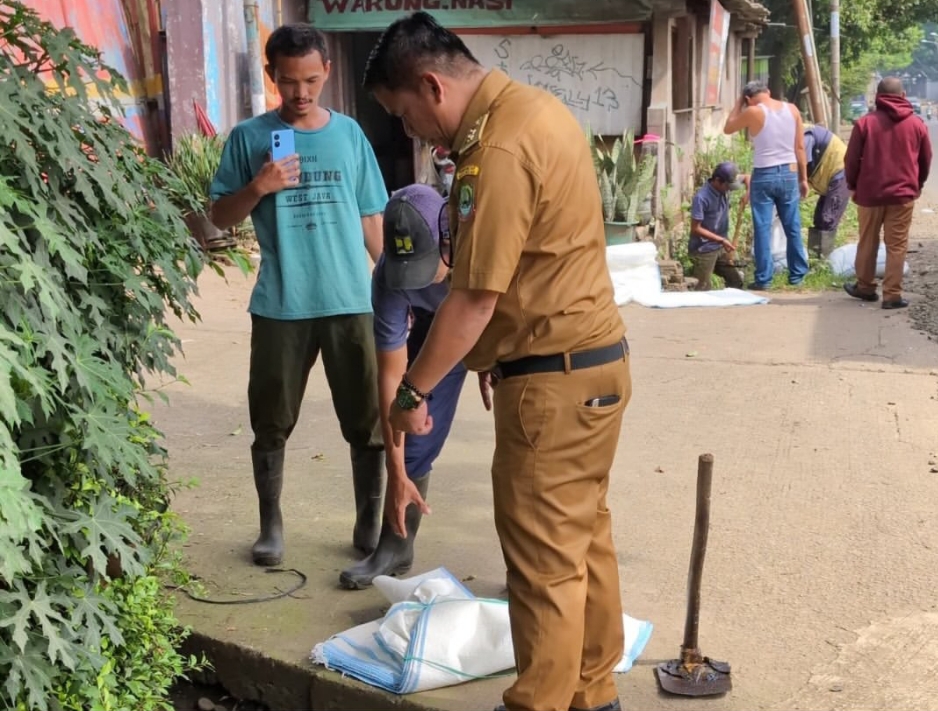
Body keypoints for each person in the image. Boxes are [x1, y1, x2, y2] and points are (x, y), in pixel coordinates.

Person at [364, 12, 631, 711]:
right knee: (583, 541)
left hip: (552, 385)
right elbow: (529, 266)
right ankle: (593, 692)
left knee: (542, 564)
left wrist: (412, 391)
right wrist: (491, 355)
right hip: (590, 367)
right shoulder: (537, 111)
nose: (416, 134)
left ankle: (540, 701)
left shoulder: (500, 148)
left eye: (407, 116)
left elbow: (474, 299)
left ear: (432, 85)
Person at [208, 23, 389, 567]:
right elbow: (218, 218)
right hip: (281, 304)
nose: (301, 92)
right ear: (272, 76)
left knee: (368, 421)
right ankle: (271, 525)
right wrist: (258, 187)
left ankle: (368, 520)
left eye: (311, 80)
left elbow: (371, 217)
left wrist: (397, 289)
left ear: (327, 71)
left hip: (351, 300)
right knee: (270, 419)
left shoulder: (350, 135)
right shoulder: (249, 137)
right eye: (288, 81)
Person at [339, 184, 467, 589]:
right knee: (411, 437)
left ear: (449, 237)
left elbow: (492, 314)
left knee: (522, 442)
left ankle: (527, 565)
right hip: (435, 326)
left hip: (494, 316)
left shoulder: (479, 249)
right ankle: (395, 545)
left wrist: (491, 362)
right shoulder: (389, 278)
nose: (417, 280)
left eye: (424, 267)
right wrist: (395, 471)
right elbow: (392, 377)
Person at [843, 76, 932, 309]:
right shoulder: (916, 124)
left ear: (877, 97)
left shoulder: (865, 123)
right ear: (903, 96)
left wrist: (853, 184)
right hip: (902, 195)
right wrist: (918, 184)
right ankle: (892, 295)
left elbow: (851, 160)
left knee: (867, 242)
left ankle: (865, 287)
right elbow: (925, 159)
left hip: (870, 195)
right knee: (897, 245)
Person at [724, 80, 810, 290]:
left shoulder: (753, 111)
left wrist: (739, 103)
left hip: (764, 174)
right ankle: (797, 275)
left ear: (748, 98)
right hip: (789, 172)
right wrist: (803, 179)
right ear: (768, 92)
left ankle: (764, 279)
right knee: (792, 226)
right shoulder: (792, 109)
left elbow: (728, 127)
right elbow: (800, 147)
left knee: (762, 228)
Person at [688, 161, 748, 291]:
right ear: (717, 180)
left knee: (736, 282)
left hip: (721, 247)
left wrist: (747, 194)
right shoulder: (701, 198)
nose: (729, 189)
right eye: (727, 186)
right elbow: (695, 228)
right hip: (704, 249)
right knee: (702, 288)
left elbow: (748, 177)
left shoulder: (727, 182)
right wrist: (721, 240)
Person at [803, 123, 849, 256]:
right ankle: (815, 258)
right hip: (826, 175)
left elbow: (802, 166)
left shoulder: (804, 136)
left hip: (840, 171)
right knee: (818, 219)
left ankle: (824, 259)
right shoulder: (792, 135)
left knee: (828, 218)